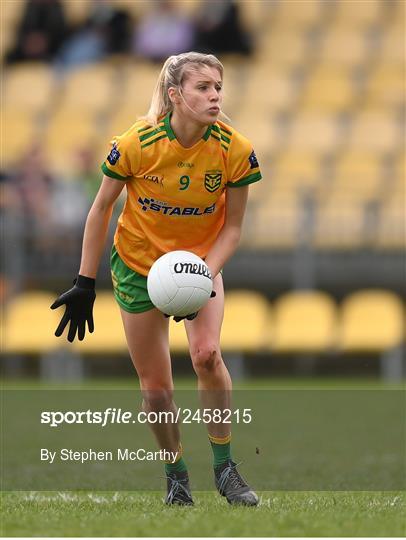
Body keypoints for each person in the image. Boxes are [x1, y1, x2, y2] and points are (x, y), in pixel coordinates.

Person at [51, 51, 262, 506]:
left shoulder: (235, 149)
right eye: (202, 88)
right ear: (175, 94)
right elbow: (100, 209)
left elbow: (235, 228)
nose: (214, 96)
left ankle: (225, 468)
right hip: (137, 267)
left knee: (207, 355)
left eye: (217, 88)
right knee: (156, 385)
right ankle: (176, 476)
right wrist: (86, 281)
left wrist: (207, 272)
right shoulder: (137, 142)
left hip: (201, 265)